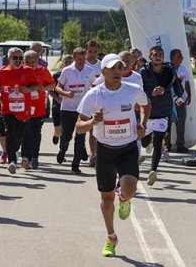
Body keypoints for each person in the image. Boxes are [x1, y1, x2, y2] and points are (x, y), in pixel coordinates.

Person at [76, 53, 149, 257]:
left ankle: (124, 199)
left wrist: (142, 122)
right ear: (104, 71)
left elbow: (146, 104)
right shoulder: (93, 95)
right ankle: (111, 237)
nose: (118, 71)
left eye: (120, 67)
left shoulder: (133, 90)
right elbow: (79, 127)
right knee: (106, 199)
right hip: (105, 151)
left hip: (128, 148)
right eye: (113, 68)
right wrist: (92, 122)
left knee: (128, 189)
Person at [139, 46, 183, 186]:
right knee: (145, 142)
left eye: (160, 55)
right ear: (150, 57)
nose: (158, 57)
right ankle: (148, 141)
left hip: (163, 111)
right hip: (148, 113)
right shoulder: (144, 72)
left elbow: (176, 85)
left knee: (158, 143)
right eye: (155, 55)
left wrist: (179, 96)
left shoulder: (170, 70)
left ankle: (153, 171)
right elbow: (138, 90)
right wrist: (151, 92)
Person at [0, 47, 37, 174]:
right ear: (9, 59)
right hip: (7, 108)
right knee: (10, 133)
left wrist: (28, 90)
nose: (18, 60)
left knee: (19, 136)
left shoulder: (29, 71)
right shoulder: (2, 72)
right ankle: (12, 161)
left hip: (23, 109)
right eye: (15, 58)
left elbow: (36, 85)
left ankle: (15, 149)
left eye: (20, 58)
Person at [55, 47, 97, 174]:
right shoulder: (67, 71)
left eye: (83, 59)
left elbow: (94, 86)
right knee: (67, 136)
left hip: (83, 110)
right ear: (74, 58)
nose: (81, 62)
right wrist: (66, 93)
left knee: (80, 137)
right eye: (79, 59)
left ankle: (75, 164)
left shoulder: (90, 70)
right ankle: (63, 148)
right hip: (68, 108)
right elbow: (57, 87)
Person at [20, 50, 55, 169]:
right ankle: (25, 157)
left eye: (33, 62)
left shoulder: (43, 71)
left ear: (38, 61)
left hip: (38, 107)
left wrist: (43, 87)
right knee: (25, 132)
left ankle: (35, 156)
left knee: (35, 132)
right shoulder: (21, 71)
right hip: (24, 107)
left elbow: (52, 85)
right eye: (28, 62)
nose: (30, 64)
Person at [164, 49, 191, 154]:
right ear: (173, 58)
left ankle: (180, 145)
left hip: (181, 100)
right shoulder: (167, 68)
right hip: (169, 101)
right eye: (180, 56)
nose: (182, 58)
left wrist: (189, 96)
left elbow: (187, 82)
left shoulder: (183, 68)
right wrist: (177, 80)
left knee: (181, 124)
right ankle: (167, 145)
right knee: (168, 124)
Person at [49, 55, 74, 145]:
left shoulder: (76, 76)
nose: (67, 64)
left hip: (69, 107)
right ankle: (56, 134)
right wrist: (57, 98)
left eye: (70, 62)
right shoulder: (56, 76)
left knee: (66, 131)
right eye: (66, 62)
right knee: (58, 130)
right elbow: (49, 90)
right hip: (57, 106)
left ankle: (62, 148)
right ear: (62, 63)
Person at [84, 40, 102, 165]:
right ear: (86, 51)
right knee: (83, 128)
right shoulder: (81, 64)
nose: (92, 54)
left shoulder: (101, 65)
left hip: (98, 100)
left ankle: (93, 154)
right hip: (84, 100)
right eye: (90, 51)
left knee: (93, 129)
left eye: (95, 51)